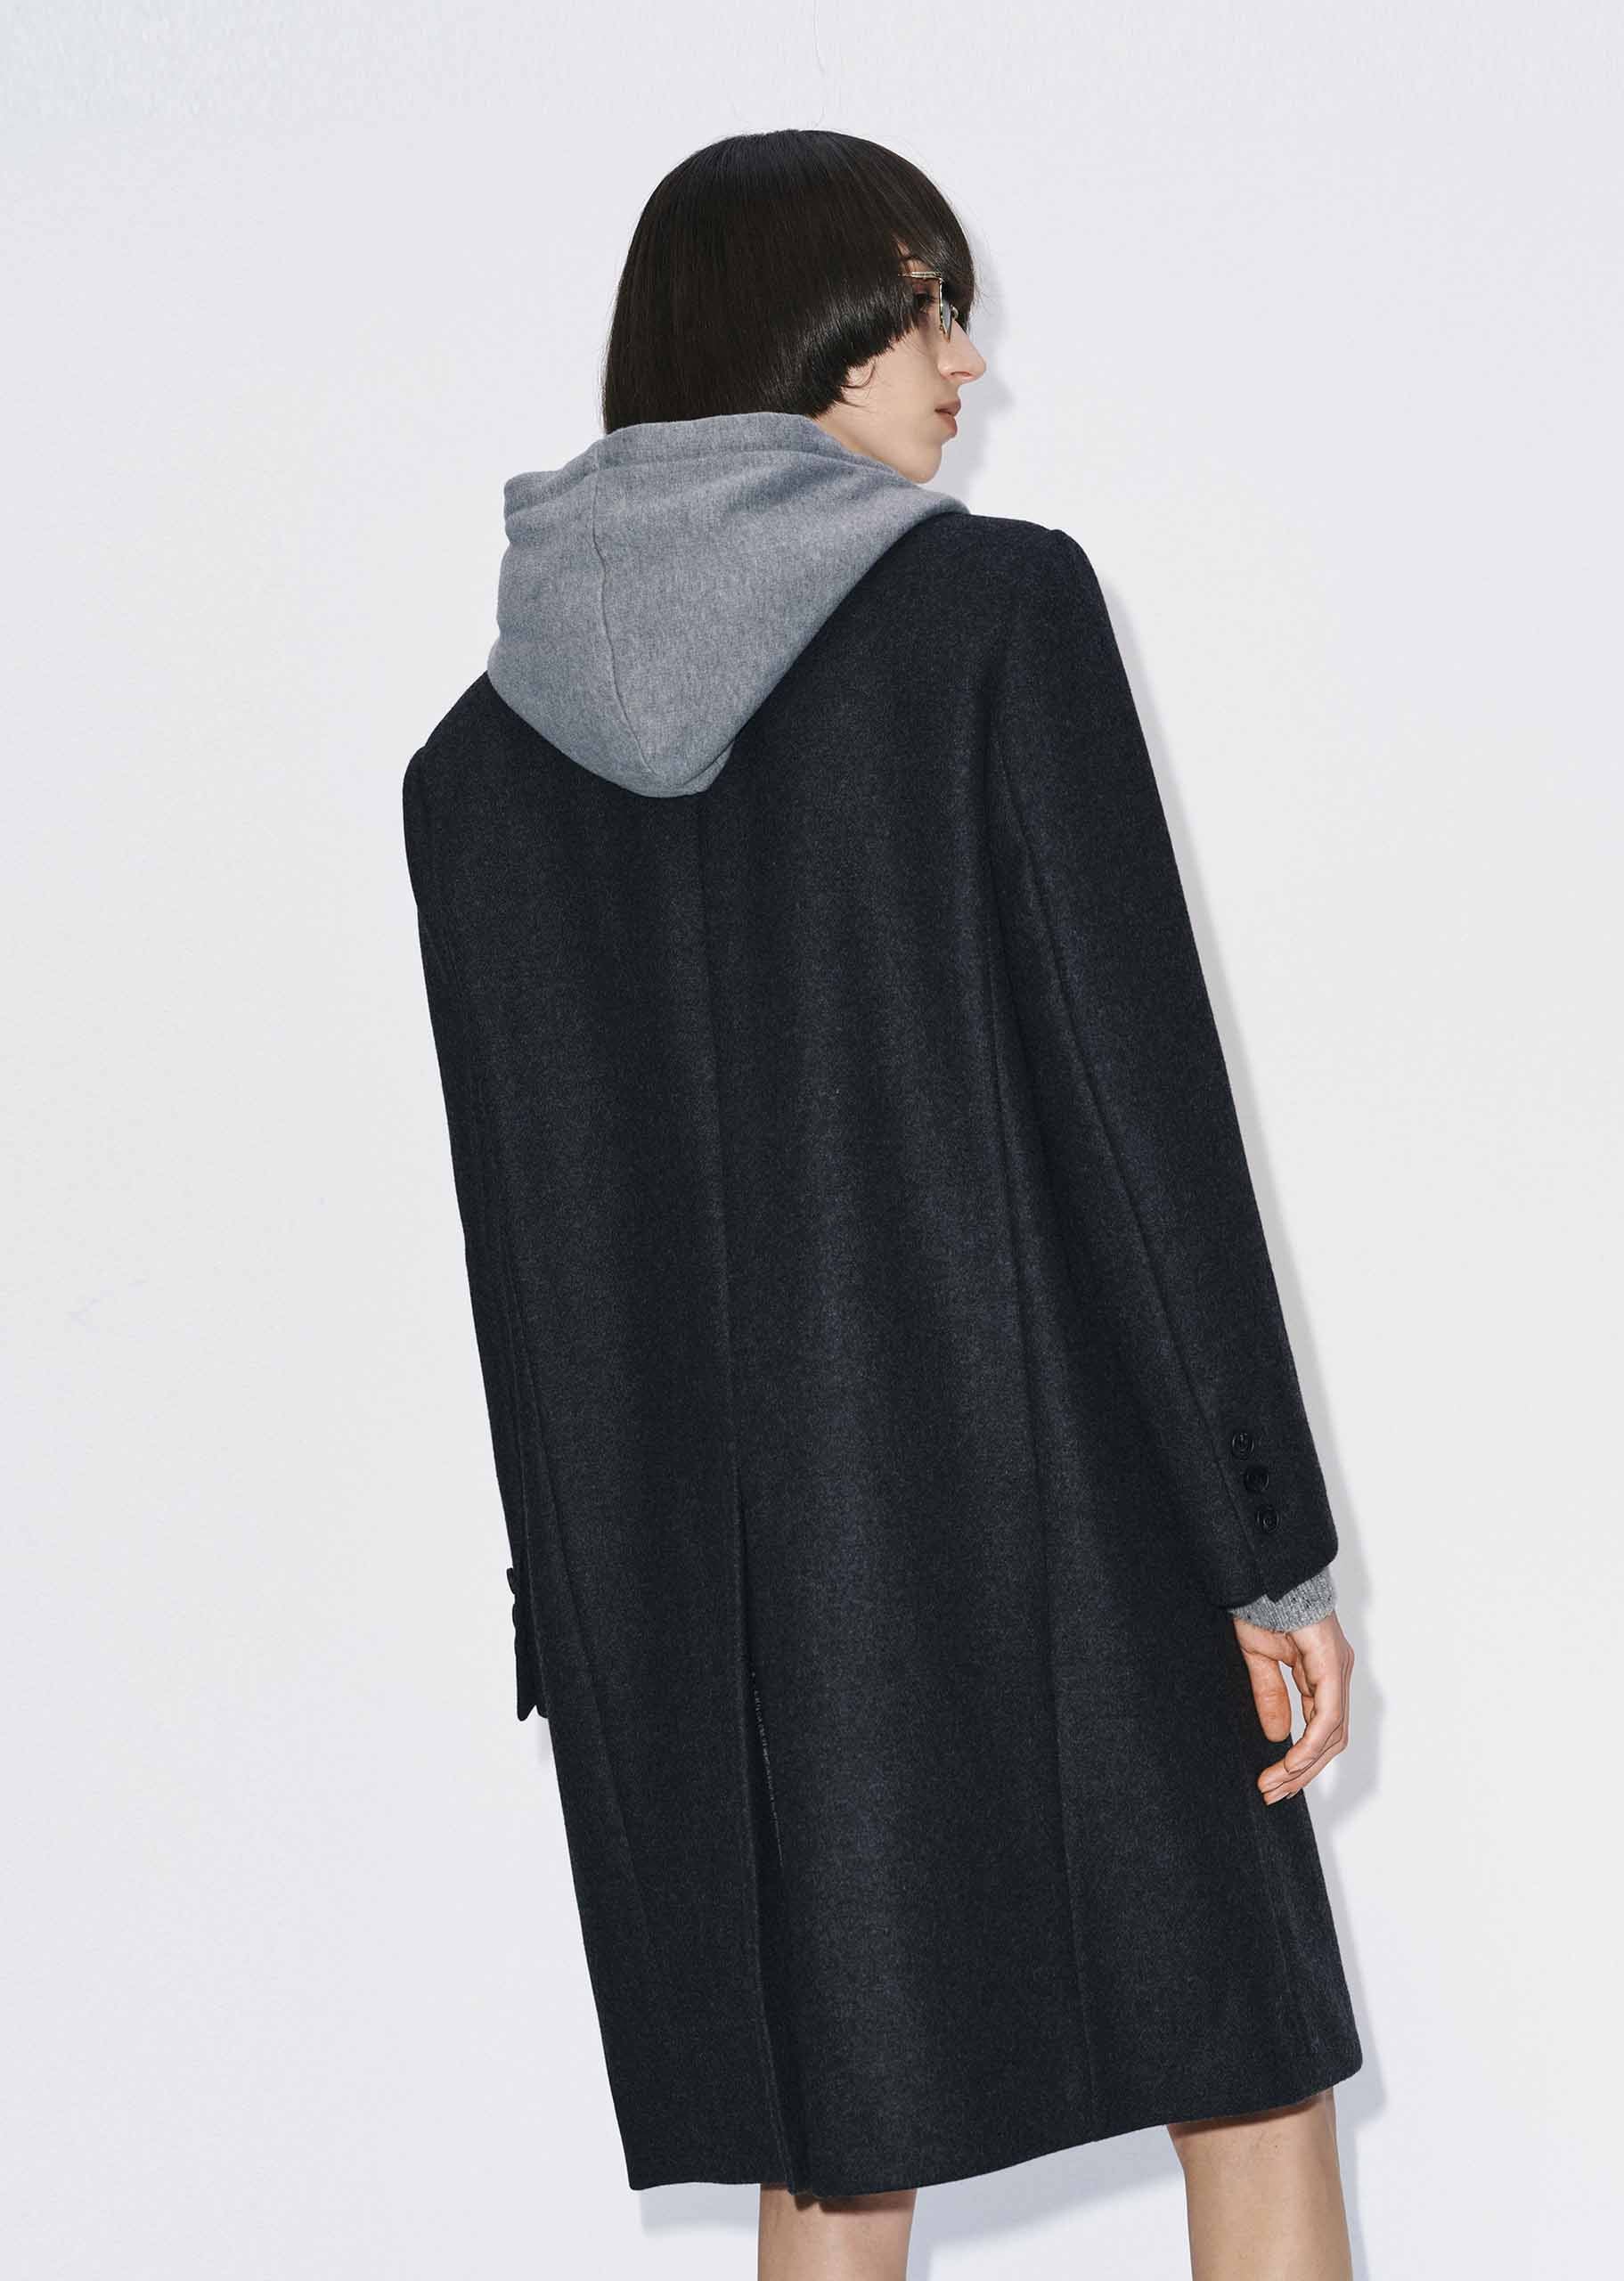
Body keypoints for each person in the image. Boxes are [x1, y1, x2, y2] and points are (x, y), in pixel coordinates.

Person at [403, 127, 1362, 2279]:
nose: (965, 361)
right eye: (928, 307)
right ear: (807, 329)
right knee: (1251, 2064)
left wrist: (595, 1629)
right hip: (1063, 1517)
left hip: (717, 1598)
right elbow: (1140, 1100)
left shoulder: (473, 774)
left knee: (833, 2133)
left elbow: (525, 1261)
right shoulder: (998, 613)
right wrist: (1267, 1544)